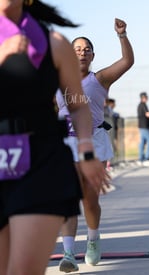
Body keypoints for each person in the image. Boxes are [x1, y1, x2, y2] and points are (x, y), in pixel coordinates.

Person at [0, 1, 108, 275]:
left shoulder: (54, 44)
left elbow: (78, 105)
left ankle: (75, 249)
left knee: (23, 269)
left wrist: (86, 150)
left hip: (40, 163)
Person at [55, 18, 134, 272]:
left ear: (92, 56)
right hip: (66, 143)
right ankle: (68, 253)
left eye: (86, 49)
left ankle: (92, 239)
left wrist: (122, 35)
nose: (82, 52)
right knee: (68, 197)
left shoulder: (99, 79)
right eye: (77, 49)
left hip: (95, 142)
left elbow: (127, 62)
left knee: (89, 199)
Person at [137, 91, 149, 166]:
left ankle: (141, 159)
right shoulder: (142, 105)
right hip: (144, 127)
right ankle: (147, 158)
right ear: (143, 97)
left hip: (143, 127)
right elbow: (148, 114)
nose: (147, 98)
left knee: (143, 142)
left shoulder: (142, 105)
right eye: (146, 97)